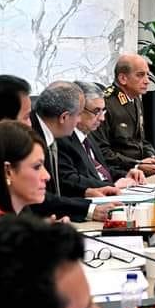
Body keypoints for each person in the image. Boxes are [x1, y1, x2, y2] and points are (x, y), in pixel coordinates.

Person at [29, 82, 114, 222]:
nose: (79, 120)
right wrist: (89, 209)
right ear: (64, 117)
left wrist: (86, 192)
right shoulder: (31, 139)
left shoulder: (48, 133)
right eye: (79, 114)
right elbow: (38, 197)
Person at [57, 81, 147, 198]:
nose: (102, 118)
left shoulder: (89, 135)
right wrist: (112, 185)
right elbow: (70, 180)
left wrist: (125, 175)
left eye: (103, 111)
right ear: (78, 110)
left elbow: (101, 170)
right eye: (96, 111)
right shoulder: (62, 139)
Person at [91, 54, 155, 175]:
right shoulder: (105, 103)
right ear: (123, 78)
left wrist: (152, 157)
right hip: (121, 172)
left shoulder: (135, 99)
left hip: (140, 169)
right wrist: (136, 164)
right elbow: (102, 151)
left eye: (147, 75)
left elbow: (141, 140)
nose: (147, 81)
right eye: (140, 75)